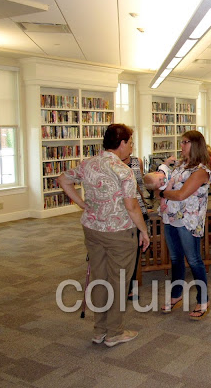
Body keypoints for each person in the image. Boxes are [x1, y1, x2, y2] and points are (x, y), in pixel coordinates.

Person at [58, 124, 150, 348]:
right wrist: (144, 231)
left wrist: (83, 204)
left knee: (99, 279)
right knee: (119, 281)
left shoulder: (89, 164)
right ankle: (114, 332)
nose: (131, 147)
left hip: (92, 229)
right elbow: (132, 207)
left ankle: (99, 330)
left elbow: (63, 179)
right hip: (119, 232)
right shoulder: (123, 170)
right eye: (130, 143)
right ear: (121, 143)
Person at [157, 130, 211, 320]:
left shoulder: (201, 171)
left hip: (188, 221)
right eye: (181, 142)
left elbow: (181, 194)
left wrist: (163, 193)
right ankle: (176, 294)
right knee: (175, 259)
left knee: (194, 259)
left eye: (185, 142)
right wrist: (164, 191)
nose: (181, 145)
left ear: (195, 144)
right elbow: (165, 185)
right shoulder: (181, 165)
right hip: (171, 217)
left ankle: (203, 300)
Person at [123, 153, 150, 300]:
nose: (131, 146)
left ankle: (130, 287)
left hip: (137, 207)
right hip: (119, 211)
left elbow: (140, 185)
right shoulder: (110, 163)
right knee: (121, 249)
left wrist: (145, 203)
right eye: (129, 143)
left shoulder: (135, 161)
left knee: (135, 248)